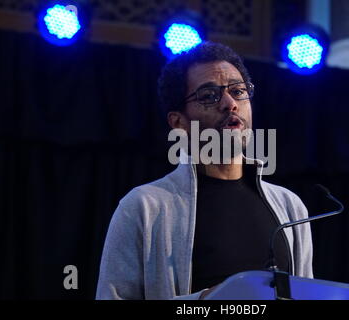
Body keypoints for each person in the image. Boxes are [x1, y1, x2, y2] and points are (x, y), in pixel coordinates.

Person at [96, 42, 313, 300]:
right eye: (209, 96)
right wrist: (201, 303)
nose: (230, 103)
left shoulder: (290, 207)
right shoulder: (144, 206)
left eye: (238, 91)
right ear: (179, 122)